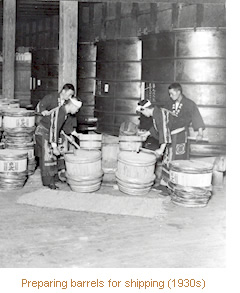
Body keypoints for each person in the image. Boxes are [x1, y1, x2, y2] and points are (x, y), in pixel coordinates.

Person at [161, 82, 205, 184]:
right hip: (169, 135)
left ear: (179, 92)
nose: (170, 96)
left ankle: (178, 183)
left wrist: (200, 133)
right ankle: (166, 183)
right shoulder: (169, 104)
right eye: (170, 94)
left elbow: (196, 118)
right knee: (168, 157)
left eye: (172, 94)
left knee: (179, 158)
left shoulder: (189, 104)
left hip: (181, 135)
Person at [35, 97, 82, 189]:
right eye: (77, 108)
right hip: (43, 132)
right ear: (71, 105)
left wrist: (76, 134)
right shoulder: (59, 112)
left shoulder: (65, 112)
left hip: (49, 133)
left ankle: (54, 178)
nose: (77, 111)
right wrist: (54, 146)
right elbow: (54, 129)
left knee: (54, 158)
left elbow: (66, 126)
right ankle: (48, 182)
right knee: (48, 157)